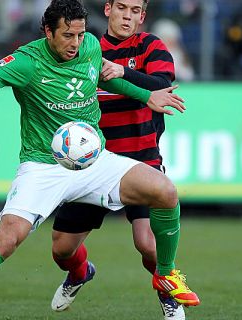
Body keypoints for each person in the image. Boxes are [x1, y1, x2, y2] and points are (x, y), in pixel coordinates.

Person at [0, 1, 193, 319]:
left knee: (165, 191)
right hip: (45, 165)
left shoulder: (91, 47)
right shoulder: (27, 61)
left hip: (95, 160)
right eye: (68, 36)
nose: (76, 44)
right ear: (48, 32)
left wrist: (146, 95)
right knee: (10, 239)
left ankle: (165, 274)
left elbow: (102, 79)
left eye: (80, 35)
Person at [49, 1, 199, 319]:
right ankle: (79, 273)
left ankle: (166, 290)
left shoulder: (150, 46)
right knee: (61, 249)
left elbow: (163, 87)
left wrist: (124, 72)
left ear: (142, 16)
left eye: (134, 10)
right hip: (96, 164)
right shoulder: (88, 49)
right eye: (121, 8)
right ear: (108, 9)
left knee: (147, 244)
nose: (127, 16)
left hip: (141, 162)